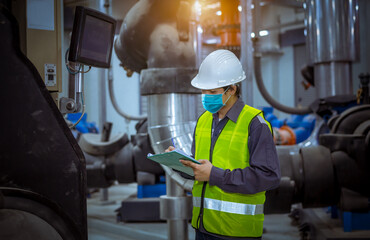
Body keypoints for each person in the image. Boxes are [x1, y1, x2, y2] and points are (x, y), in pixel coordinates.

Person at [166, 49, 280, 240]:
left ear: (232, 89)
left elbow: (269, 176)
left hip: (236, 232)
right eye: (203, 91)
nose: (206, 96)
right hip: (202, 227)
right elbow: (200, 170)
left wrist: (214, 174)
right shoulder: (203, 120)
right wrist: (180, 163)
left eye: (212, 92)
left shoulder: (254, 124)